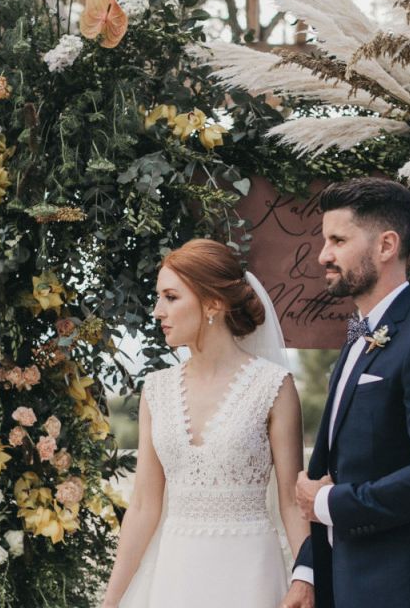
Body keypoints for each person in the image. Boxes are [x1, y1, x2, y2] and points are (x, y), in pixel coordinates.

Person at [282, 178, 410, 608]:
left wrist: (332, 503)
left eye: (338, 240)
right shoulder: (356, 339)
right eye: (324, 240)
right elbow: (329, 468)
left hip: (407, 591)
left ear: (386, 245)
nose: (323, 255)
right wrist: (309, 571)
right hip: (343, 584)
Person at [101, 239, 312, 608]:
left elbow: (291, 504)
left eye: (170, 297)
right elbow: (143, 507)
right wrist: (111, 600)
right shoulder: (156, 389)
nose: (157, 311)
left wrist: (306, 580)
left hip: (250, 575)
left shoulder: (273, 386)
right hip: (176, 574)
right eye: (158, 297)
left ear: (213, 303)